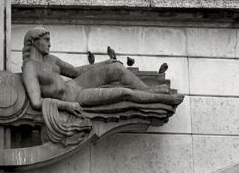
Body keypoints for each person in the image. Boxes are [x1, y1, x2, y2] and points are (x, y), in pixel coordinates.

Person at [21, 26, 183, 112]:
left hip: (76, 83)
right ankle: (166, 99)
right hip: (75, 96)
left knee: (116, 69)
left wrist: (106, 63)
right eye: (46, 40)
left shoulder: (50, 59)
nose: (50, 44)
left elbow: (76, 72)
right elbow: (36, 102)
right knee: (123, 92)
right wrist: (67, 106)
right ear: (34, 41)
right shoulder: (30, 67)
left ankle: (151, 90)